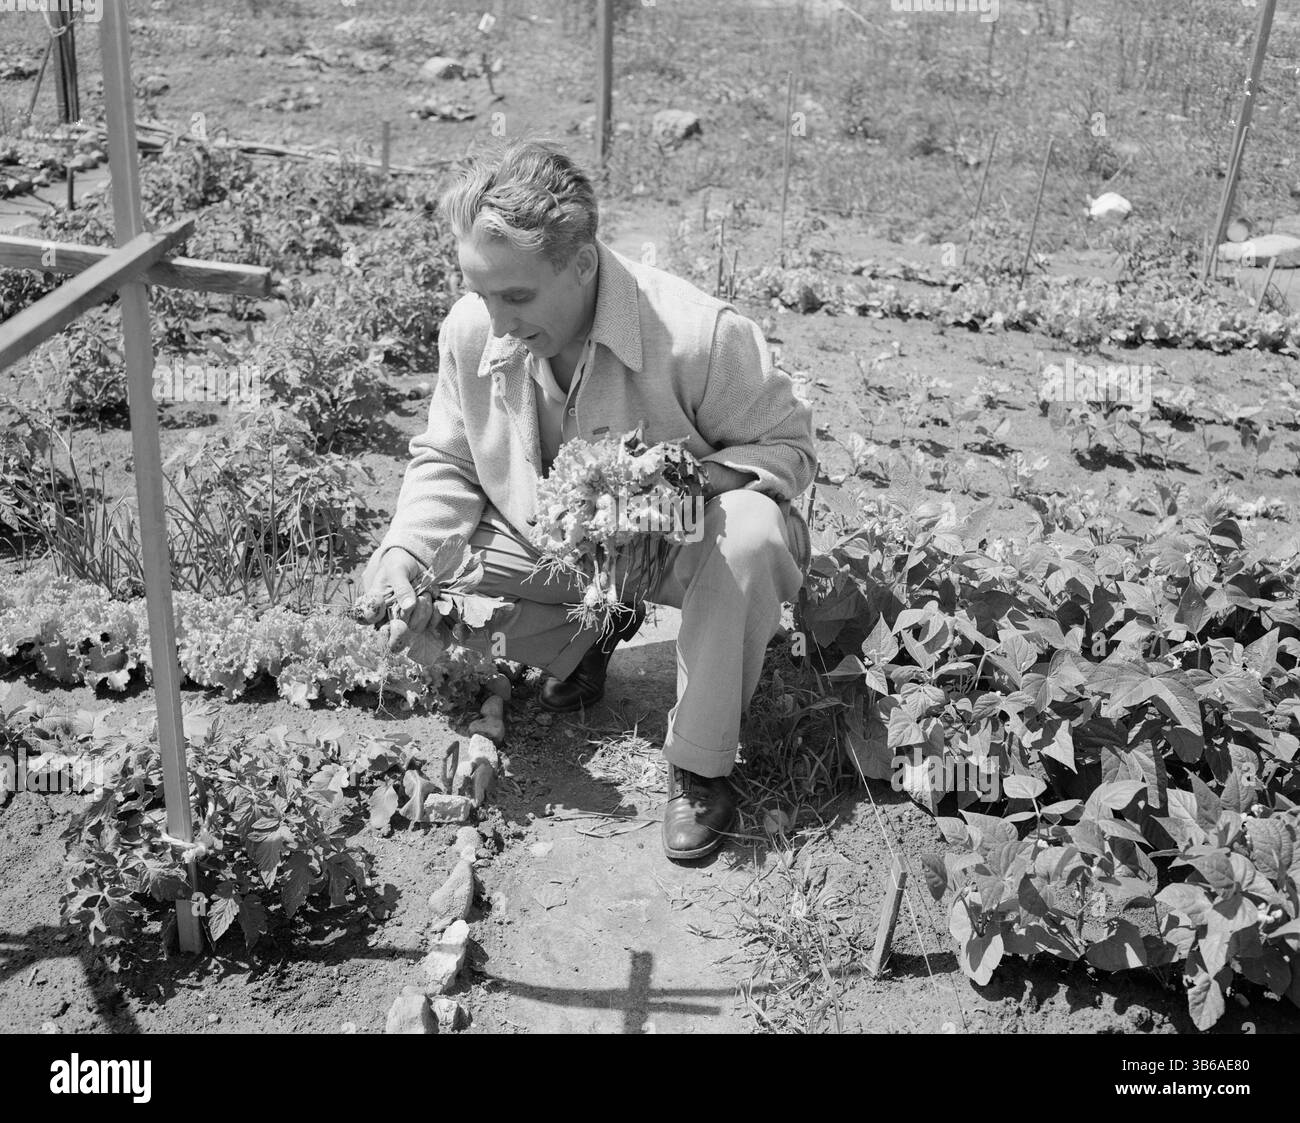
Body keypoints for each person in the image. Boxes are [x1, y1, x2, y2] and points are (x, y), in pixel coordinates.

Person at [362, 139, 816, 862]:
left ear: (580, 262)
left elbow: (790, 447)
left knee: (753, 536)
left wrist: (685, 485)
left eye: (516, 295)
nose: (496, 319)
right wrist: (403, 553)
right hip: (560, 546)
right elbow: (448, 461)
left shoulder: (698, 335)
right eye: (480, 291)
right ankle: (589, 636)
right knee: (433, 581)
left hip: (676, 540)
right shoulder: (471, 330)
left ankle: (699, 761)